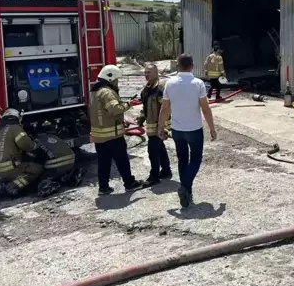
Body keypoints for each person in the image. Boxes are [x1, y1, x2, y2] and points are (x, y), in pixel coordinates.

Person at [157, 53, 217, 208]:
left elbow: (164, 108)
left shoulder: (170, 84)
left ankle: (186, 194)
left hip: (177, 130)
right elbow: (205, 108)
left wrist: (160, 126)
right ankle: (185, 187)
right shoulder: (198, 84)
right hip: (194, 129)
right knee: (196, 158)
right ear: (192, 66)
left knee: (183, 159)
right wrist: (212, 128)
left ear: (177, 66)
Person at [89, 64, 144, 195]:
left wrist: (121, 121)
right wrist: (129, 104)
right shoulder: (107, 92)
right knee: (122, 161)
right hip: (112, 136)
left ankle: (103, 188)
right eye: (116, 80)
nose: (117, 82)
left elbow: (103, 113)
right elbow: (114, 109)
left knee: (103, 163)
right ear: (111, 79)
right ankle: (129, 184)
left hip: (99, 137)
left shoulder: (95, 92)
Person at [0, 108, 44, 197]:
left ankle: (3, 183)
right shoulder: (15, 128)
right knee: (37, 169)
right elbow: (26, 145)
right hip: (9, 169)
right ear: (16, 118)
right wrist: (35, 145)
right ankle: (12, 186)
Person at [137, 63, 172, 185]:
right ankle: (166, 171)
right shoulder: (145, 90)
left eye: (149, 72)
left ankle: (154, 176)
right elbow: (145, 107)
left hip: (159, 126)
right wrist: (141, 118)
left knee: (152, 151)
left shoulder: (161, 89)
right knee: (160, 148)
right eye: (145, 72)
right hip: (151, 127)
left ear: (156, 73)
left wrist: (163, 126)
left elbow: (166, 108)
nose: (146, 75)